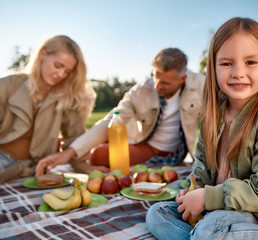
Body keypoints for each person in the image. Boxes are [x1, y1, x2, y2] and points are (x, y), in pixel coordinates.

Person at [146, 17, 258, 240]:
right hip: (218, 210)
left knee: (209, 229)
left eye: (250, 62)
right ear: (214, 67)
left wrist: (207, 198)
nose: (238, 72)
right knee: (157, 214)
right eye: (227, 63)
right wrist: (194, 189)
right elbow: (202, 162)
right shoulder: (213, 111)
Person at [35, 47, 205, 175]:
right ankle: (66, 146)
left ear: (182, 78)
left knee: (98, 155)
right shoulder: (141, 91)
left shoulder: (201, 85)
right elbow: (110, 121)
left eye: (165, 83)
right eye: (155, 77)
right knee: (90, 151)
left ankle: (68, 145)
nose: (157, 86)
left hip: (169, 151)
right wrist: (70, 152)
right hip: (144, 143)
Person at [0, 35, 96, 183]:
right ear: (43, 54)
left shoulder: (65, 97)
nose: (61, 75)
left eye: (67, 71)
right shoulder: (7, 86)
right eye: (58, 66)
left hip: (35, 169)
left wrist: (86, 168)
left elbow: (74, 137)